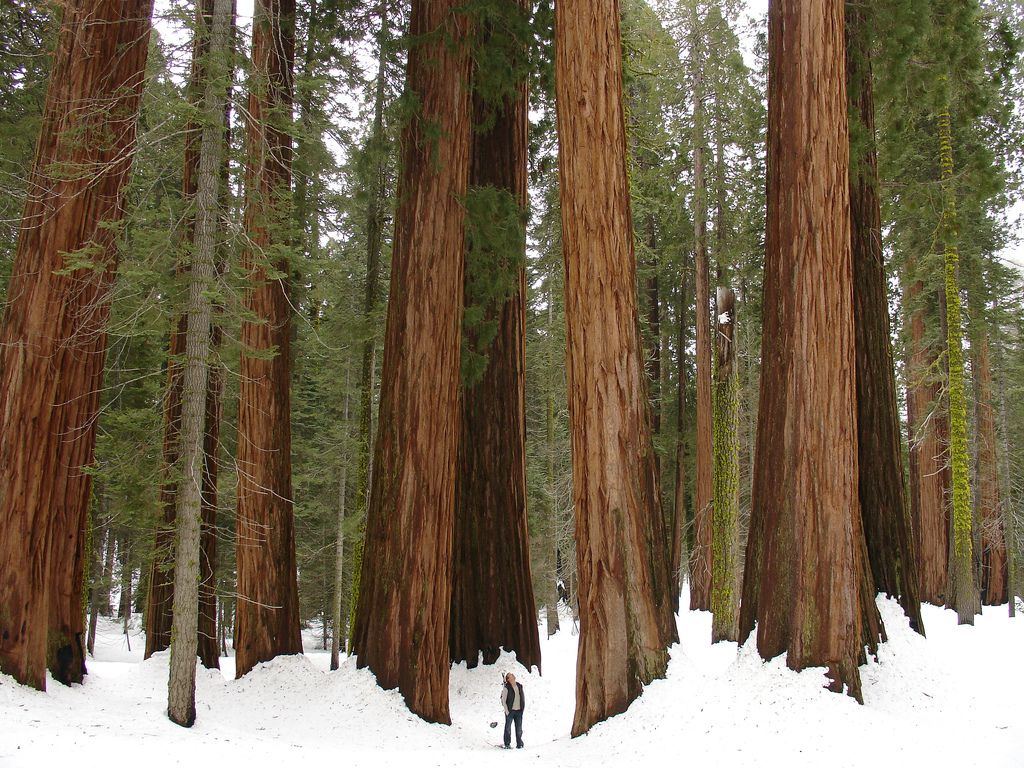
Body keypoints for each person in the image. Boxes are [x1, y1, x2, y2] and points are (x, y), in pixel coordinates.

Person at [500, 672, 525, 749]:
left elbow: (522, 697)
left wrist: (522, 708)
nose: (513, 675)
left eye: (513, 675)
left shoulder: (519, 686)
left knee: (519, 728)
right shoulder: (506, 688)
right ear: (508, 679)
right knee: (508, 728)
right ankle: (507, 743)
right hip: (510, 711)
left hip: (519, 711)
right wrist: (507, 711)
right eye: (510, 675)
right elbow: (503, 700)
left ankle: (519, 743)